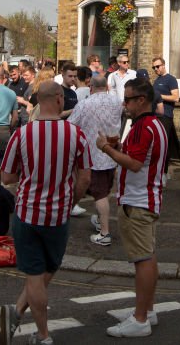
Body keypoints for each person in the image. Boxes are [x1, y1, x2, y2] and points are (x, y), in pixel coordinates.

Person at [0, 81, 91, 345]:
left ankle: (27, 322)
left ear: (38, 101)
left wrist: (27, 173)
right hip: (58, 215)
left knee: (35, 275)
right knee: (47, 270)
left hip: (27, 214)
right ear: (60, 99)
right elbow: (85, 179)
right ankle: (40, 334)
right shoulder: (76, 134)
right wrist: (70, 200)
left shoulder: (22, 134)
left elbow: (6, 177)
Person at [95, 77, 168, 338]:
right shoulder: (156, 124)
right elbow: (142, 157)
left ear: (141, 100)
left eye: (127, 99)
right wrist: (119, 146)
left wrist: (106, 148)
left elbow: (135, 164)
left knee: (142, 259)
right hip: (148, 199)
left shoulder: (141, 126)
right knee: (148, 255)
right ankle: (147, 311)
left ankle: (140, 319)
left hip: (137, 201)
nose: (124, 104)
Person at [69, 75, 123, 245]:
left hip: (93, 155)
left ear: (90, 87)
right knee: (105, 191)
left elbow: (71, 125)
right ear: (107, 87)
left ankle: (105, 233)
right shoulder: (116, 102)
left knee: (100, 195)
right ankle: (101, 221)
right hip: (112, 153)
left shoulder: (84, 104)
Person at [150, 57, 180, 179]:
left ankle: (164, 172)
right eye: (154, 67)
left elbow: (176, 98)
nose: (156, 69)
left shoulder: (171, 79)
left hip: (166, 116)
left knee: (164, 144)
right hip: (155, 115)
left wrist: (159, 95)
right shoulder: (156, 80)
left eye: (157, 66)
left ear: (163, 65)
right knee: (156, 145)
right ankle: (157, 171)